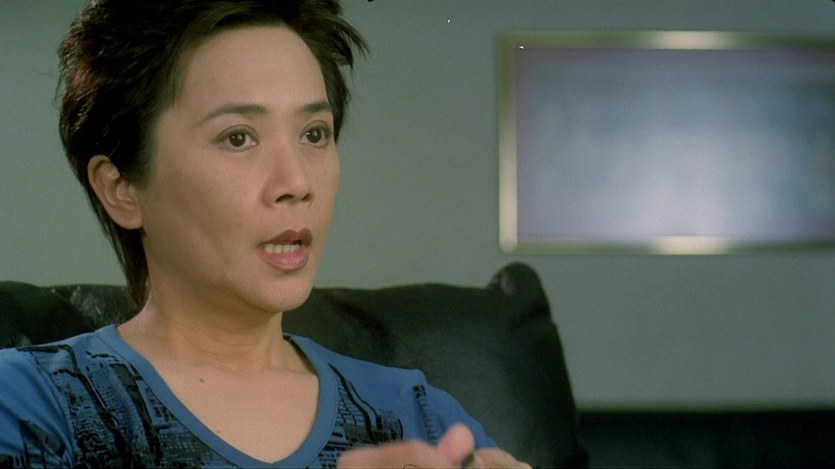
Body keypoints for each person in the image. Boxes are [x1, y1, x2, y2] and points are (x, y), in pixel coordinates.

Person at [0, 1, 528, 467]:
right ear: (121, 189)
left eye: (314, 134)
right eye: (238, 138)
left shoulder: (419, 418)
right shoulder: (34, 406)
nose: (296, 182)